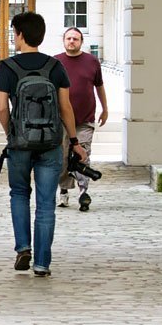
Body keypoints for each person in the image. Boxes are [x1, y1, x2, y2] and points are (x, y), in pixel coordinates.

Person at [0, 11, 86, 278]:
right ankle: (42, 263)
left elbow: (2, 108)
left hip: (20, 143)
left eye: (14, 32)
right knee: (46, 203)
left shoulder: (8, 67)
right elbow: (66, 107)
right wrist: (74, 140)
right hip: (50, 143)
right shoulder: (55, 67)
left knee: (20, 194)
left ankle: (23, 247)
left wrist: (11, 133)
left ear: (20, 35)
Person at [57, 26, 107, 211]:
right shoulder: (56, 62)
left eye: (75, 39)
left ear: (81, 42)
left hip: (85, 118)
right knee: (62, 157)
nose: (71, 41)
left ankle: (83, 191)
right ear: (63, 41)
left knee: (82, 155)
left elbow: (99, 86)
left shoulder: (92, 62)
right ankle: (63, 191)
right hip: (61, 120)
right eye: (68, 38)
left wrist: (105, 108)